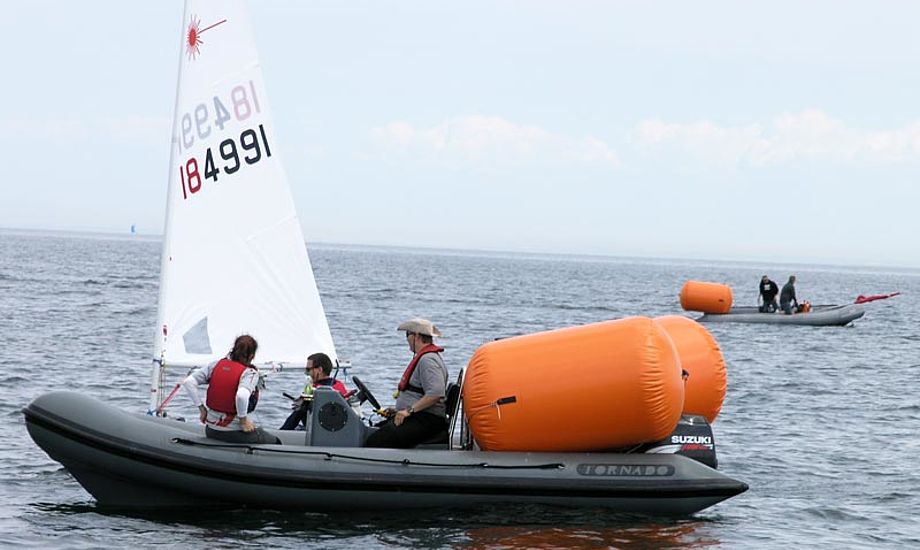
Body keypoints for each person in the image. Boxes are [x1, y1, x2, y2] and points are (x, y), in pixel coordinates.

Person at [364, 318, 448, 449]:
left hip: (426, 419)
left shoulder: (428, 361)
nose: (406, 339)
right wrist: (398, 410)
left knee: (377, 441)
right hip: (417, 416)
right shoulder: (424, 358)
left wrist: (408, 411)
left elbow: (436, 393)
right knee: (375, 429)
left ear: (417, 336)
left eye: (407, 334)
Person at [181, 334, 280, 444]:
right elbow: (241, 395)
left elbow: (188, 382)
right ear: (252, 356)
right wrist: (243, 421)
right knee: (276, 442)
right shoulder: (249, 373)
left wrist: (202, 410)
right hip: (233, 433)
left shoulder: (215, 365)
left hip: (211, 430)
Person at [280, 352, 349, 430]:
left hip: (320, 431)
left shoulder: (316, 391)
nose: (307, 373)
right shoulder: (339, 385)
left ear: (319, 370)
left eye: (308, 369)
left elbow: (297, 415)